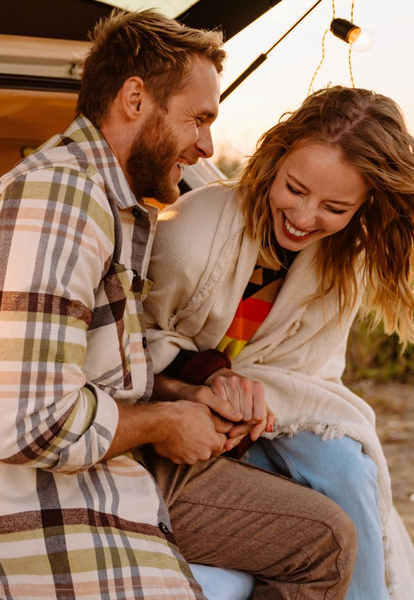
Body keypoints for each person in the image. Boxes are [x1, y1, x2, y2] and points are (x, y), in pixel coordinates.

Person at [0, 10, 357, 599]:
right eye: (199, 119)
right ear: (135, 99)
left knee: (328, 534)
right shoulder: (60, 204)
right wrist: (164, 423)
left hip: (92, 465)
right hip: (31, 504)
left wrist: (186, 395)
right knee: (322, 544)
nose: (206, 144)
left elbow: (89, 374)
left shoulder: (106, 201)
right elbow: (29, 427)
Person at [144, 85, 414, 600]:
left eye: (335, 207)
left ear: (364, 206)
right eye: (295, 188)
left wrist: (253, 399)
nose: (305, 217)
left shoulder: (342, 267)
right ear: (277, 156)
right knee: (337, 499)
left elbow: (310, 382)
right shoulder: (190, 233)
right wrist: (211, 378)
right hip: (176, 409)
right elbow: (129, 345)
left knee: (347, 465)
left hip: (270, 422)